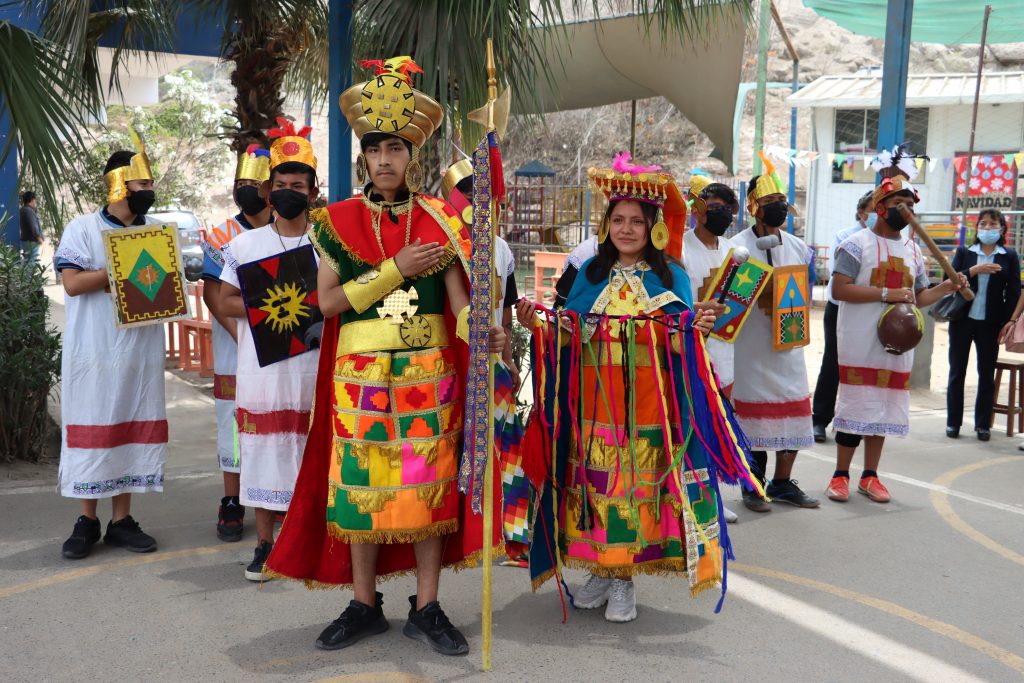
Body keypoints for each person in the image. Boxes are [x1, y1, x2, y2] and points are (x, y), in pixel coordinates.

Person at [264, 56, 505, 656]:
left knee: (429, 489)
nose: (384, 159)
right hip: (360, 379)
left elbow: (459, 307)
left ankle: (427, 606)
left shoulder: (441, 219)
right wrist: (395, 268)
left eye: (395, 147)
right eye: (374, 150)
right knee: (359, 491)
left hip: (429, 375)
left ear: (411, 155)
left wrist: (487, 332)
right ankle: (363, 603)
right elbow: (325, 303)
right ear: (364, 158)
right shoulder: (335, 220)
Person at [516, 153, 760, 623]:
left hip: (647, 407)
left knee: (631, 489)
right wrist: (538, 326)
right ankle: (602, 569)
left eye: (636, 222)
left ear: (654, 228)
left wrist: (696, 329)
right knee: (594, 486)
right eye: (618, 220)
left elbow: (679, 343)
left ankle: (623, 578)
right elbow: (568, 334)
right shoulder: (590, 274)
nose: (626, 230)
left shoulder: (672, 277)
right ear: (605, 225)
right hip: (592, 405)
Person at [828, 147, 968, 503]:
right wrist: (886, 294)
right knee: (857, 404)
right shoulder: (855, 244)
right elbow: (839, 289)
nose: (906, 210)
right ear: (881, 207)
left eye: (910, 205)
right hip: (859, 340)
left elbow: (918, 297)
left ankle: (870, 476)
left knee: (884, 408)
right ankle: (840, 475)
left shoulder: (913, 250)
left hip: (898, 344)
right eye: (899, 203)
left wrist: (947, 287)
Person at [216, 122, 320, 580]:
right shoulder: (244, 245)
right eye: (281, 185)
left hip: (314, 367)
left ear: (313, 192)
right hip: (262, 371)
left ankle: (311, 543)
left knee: (311, 454)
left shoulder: (328, 244)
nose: (288, 192)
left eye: (297, 186)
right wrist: (276, 304)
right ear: (267, 190)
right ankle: (264, 546)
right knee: (262, 455)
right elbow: (224, 300)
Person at [52, 146, 164, 559]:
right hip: (94, 352)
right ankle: (87, 520)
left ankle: (121, 521)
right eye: (141, 182)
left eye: (150, 182)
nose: (148, 189)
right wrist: (123, 266)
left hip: (140, 353)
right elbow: (73, 283)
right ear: (118, 183)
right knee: (95, 425)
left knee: (129, 426)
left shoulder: (157, 232)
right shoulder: (82, 228)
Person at [442, 159, 530, 564]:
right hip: (448, 365)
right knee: (449, 451)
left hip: (492, 365)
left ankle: (513, 535)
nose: (477, 203)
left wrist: (509, 358)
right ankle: (454, 536)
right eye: (467, 194)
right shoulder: (441, 242)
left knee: (507, 453)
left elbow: (505, 311)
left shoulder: (501, 249)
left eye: (484, 195)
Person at [732, 154, 818, 511]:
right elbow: (730, 299)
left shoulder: (798, 247)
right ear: (754, 207)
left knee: (793, 413)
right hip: (750, 349)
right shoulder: (737, 248)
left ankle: (782, 483)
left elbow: (804, 296)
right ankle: (753, 484)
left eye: (782, 200)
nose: (779, 206)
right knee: (753, 422)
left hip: (788, 347)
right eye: (770, 201)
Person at [201, 145, 274, 542]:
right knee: (232, 422)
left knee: (277, 419)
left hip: (281, 349)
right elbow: (214, 296)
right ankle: (232, 500)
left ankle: (276, 495)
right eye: (239, 181)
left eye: (253, 181)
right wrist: (243, 337)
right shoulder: (222, 235)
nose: (244, 188)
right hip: (237, 350)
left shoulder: (287, 229)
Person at [682, 180, 742, 524]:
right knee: (692, 425)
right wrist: (699, 310)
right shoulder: (680, 249)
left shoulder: (734, 251)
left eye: (727, 209)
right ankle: (687, 495)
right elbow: (671, 300)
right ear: (698, 211)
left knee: (719, 425)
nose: (722, 214)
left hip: (724, 350)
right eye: (714, 208)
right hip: (689, 348)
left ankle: (714, 495)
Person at [946, 209, 1020, 441]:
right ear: (977, 228)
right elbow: (949, 280)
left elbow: (1014, 291)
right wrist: (975, 270)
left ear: (1002, 228)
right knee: (957, 372)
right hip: (962, 320)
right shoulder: (965, 252)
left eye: (993, 224)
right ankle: (953, 423)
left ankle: (982, 424)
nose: (987, 228)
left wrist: (1009, 321)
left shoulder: (1009, 255)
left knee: (986, 375)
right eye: (983, 224)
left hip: (991, 323)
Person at [812, 191, 875, 443]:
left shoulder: (884, 241)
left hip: (869, 309)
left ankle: (854, 420)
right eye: (873, 210)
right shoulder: (845, 237)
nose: (878, 215)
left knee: (864, 365)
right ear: (861, 213)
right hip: (841, 307)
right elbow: (843, 275)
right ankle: (820, 419)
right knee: (833, 362)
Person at [19, 191, 44, 265]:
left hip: (26, 240)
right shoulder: (28, 211)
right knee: (31, 263)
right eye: (35, 200)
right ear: (32, 200)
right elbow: (33, 225)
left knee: (27, 262)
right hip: (31, 241)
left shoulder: (23, 210)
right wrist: (39, 238)